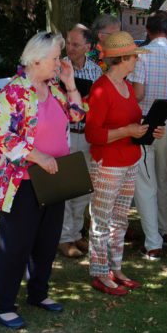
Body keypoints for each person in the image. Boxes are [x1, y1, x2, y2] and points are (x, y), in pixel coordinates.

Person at [0, 31, 85, 329]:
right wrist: (37, 155)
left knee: (46, 242)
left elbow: (78, 117)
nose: (60, 62)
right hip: (21, 181)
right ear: (37, 59)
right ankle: (4, 305)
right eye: (56, 58)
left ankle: (38, 293)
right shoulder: (13, 93)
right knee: (16, 244)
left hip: (54, 178)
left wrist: (70, 85)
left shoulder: (54, 89)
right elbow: (1, 135)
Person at [85, 31, 164, 295]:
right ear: (123, 58)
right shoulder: (101, 88)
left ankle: (115, 268)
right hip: (108, 164)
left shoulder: (127, 86)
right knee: (102, 219)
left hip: (129, 160)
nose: (137, 61)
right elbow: (93, 134)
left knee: (120, 219)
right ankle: (99, 272)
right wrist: (128, 131)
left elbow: (134, 121)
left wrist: (149, 129)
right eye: (134, 57)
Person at [129, 11, 167, 259]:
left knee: (145, 181)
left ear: (147, 30)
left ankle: (153, 238)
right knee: (164, 178)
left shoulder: (142, 57)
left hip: (144, 122)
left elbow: (139, 94)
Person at [59, 24, 103, 258]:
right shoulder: (58, 67)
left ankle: (76, 234)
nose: (71, 48)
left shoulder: (96, 72)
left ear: (88, 46)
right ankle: (64, 238)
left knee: (82, 189)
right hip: (65, 135)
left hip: (86, 136)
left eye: (76, 44)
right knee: (65, 188)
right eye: (68, 42)